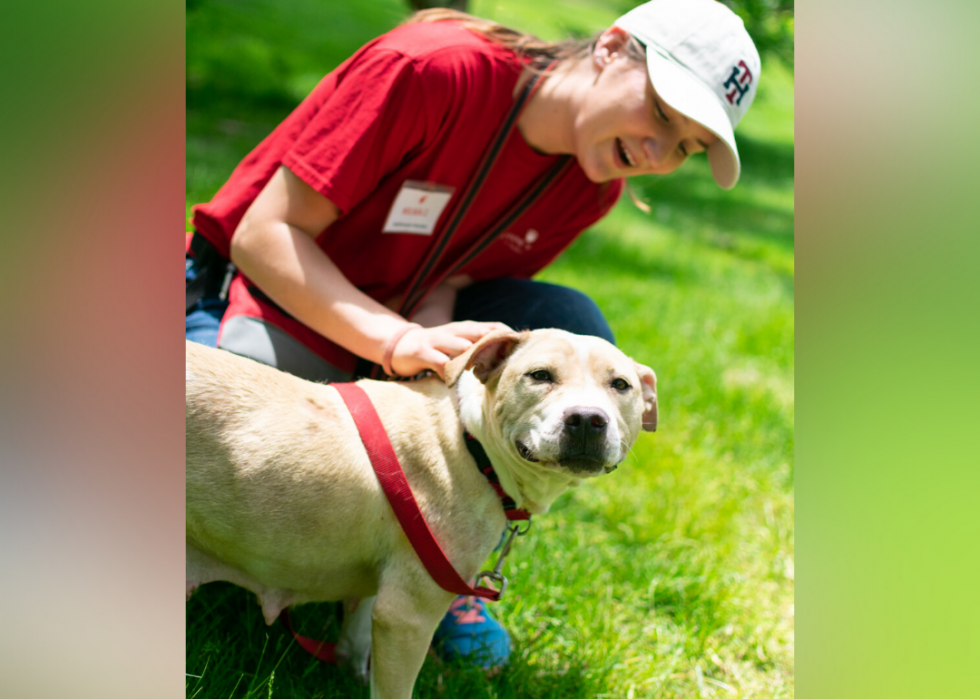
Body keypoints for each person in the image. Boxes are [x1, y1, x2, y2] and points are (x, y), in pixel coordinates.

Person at [186, 0, 760, 670]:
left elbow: (453, 274)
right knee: (238, 425)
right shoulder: (433, 69)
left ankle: (444, 548)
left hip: (391, 310)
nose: (659, 154)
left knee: (579, 341)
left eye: (687, 148)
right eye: (662, 114)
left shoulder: (593, 182)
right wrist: (394, 343)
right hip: (262, 281)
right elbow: (265, 235)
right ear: (610, 48)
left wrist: (434, 350)